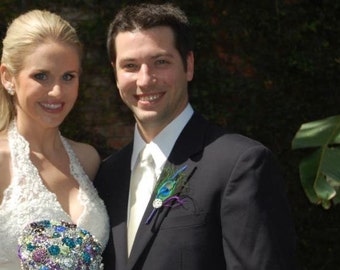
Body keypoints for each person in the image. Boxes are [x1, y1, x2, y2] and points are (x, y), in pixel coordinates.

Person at [95, 3, 296, 270]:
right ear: (116, 74)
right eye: (130, 66)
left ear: (188, 65)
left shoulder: (240, 165)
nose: (144, 80)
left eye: (160, 62)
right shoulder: (107, 175)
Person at [0, 10, 109, 269]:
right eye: (41, 76)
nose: (57, 92)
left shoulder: (88, 159)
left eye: (68, 77)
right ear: (8, 77)